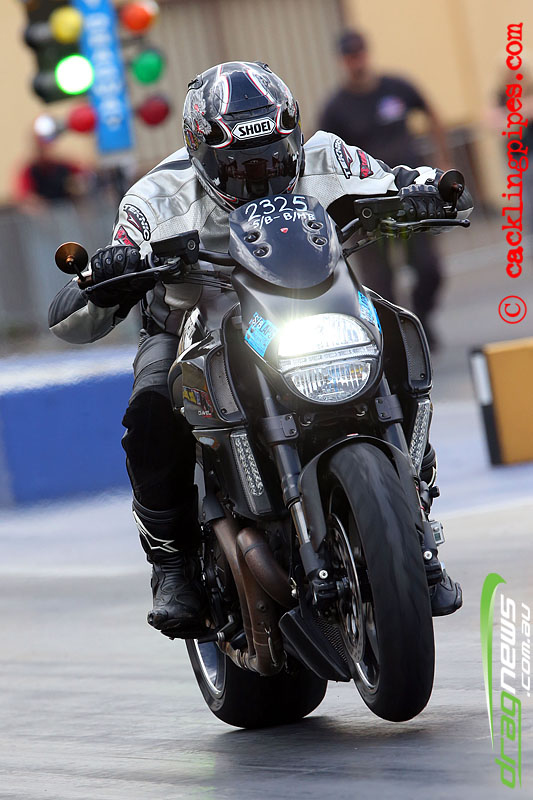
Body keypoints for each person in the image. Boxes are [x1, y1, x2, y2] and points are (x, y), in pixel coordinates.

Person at [49, 61, 469, 638]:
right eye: (243, 167)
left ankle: (413, 510)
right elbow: (78, 307)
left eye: (274, 159)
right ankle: (172, 563)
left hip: (314, 304)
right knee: (151, 409)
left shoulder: (329, 157)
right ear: (202, 155)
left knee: (396, 330)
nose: (263, 175)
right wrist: (110, 273)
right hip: (196, 319)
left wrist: (431, 190)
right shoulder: (157, 197)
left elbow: (398, 179)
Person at [318, 30, 452, 347]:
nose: (356, 62)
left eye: (359, 54)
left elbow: (430, 112)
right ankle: (396, 340)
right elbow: (322, 153)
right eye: (349, 57)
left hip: (410, 197)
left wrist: (442, 159)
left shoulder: (396, 87)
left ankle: (422, 318)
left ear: (367, 53)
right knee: (380, 282)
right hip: (368, 204)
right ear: (342, 61)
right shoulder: (336, 107)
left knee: (429, 268)